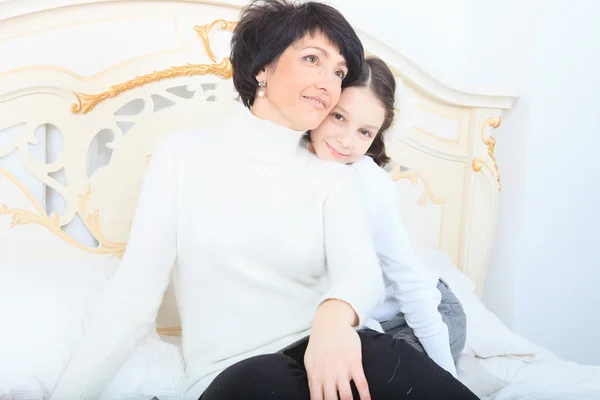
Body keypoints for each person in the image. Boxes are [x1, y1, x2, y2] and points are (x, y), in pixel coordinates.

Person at [50, 1, 477, 399]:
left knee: (382, 357)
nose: (328, 83)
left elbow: (361, 272)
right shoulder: (183, 157)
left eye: (338, 73)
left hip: (334, 346)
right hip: (238, 369)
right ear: (264, 67)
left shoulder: (333, 175)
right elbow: (132, 302)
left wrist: (333, 320)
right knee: (262, 379)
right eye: (313, 59)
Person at [306, 56, 468, 378]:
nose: (346, 141)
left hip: (427, 311)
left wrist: (449, 384)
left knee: (378, 376)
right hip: (364, 320)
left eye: (365, 132)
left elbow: (410, 285)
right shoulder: (289, 167)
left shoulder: (366, 181)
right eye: (338, 116)